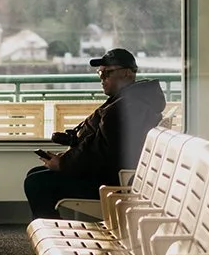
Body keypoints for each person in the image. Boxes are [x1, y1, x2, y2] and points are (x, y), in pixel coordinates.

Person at [23, 48, 167, 223]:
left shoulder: (126, 107)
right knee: (36, 174)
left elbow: (101, 153)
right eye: (100, 73)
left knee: (36, 184)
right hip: (108, 173)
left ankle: (52, 237)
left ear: (128, 74)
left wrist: (64, 163)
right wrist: (68, 154)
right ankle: (51, 233)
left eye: (108, 73)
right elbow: (101, 145)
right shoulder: (131, 99)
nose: (102, 78)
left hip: (109, 183)